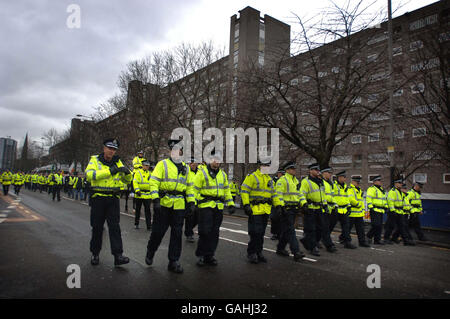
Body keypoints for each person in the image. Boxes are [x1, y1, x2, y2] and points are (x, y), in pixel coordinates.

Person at [145, 139, 196, 274]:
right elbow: (154, 182)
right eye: (172, 149)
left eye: (177, 149)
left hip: (179, 205)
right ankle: (151, 250)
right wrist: (155, 199)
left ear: (181, 151)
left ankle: (173, 261)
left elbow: (190, 187)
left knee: (177, 234)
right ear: (170, 151)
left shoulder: (185, 167)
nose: (175, 152)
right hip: (163, 204)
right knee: (158, 232)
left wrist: (191, 202)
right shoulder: (163, 164)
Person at [85, 137, 132, 266]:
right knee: (97, 227)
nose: (112, 151)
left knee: (115, 228)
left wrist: (128, 173)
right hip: (98, 198)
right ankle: (95, 253)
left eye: (114, 149)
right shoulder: (94, 160)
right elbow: (90, 175)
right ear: (104, 148)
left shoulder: (118, 162)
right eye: (110, 148)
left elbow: (126, 181)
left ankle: (118, 255)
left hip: (113, 199)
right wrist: (110, 171)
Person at [193, 150, 235, 266]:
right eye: (215, 159)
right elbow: (194, 189)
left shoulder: (223, 174)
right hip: (205, 205)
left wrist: (230, 203)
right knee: (205, 231)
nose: (217, 161)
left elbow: (226, 190)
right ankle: (201, 255)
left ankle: (209, 255)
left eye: (219, 159)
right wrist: (194, 201)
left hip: (218, 206)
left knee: (214, 232)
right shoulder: (202, 172)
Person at [241, 158, 282, 264]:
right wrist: (246, 205)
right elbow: (244, 191)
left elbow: (274, 194)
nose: (267, 168)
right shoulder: (252, 177)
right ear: (260, 166)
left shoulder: (270, 180)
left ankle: (259, 252)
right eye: (265, 166)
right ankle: (252, 253)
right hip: (254, 210)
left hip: (265, 210)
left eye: (269, 166)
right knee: (255, 233)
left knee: (261, 233)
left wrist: (278, 205)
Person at [275, 161, 306, 262]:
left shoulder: (295, 181)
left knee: (286, 230)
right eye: (292, 169)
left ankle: (280, 248)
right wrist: (280, 206)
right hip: (286, 209)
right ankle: (296, 251)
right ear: (287, 170)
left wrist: (304, 203)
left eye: (295, 169)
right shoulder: (282, 180)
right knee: (291, 231)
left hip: (294, 209)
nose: (294, 170)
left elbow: (300, 194)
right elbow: (278, 194)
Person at [384, 178, 415, 246]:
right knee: (391, 226)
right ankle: (386, 239)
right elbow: (390, 201)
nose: (401, 184)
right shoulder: (392, 191)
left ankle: (405, 240)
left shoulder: (400, 192)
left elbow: (403, 202)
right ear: (396, 184)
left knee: (402, 226)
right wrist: (393, 211)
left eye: (401, 183)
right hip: (394, 211)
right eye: (400, 183)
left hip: (400, 211)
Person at [329, 171, 356, 249]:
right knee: (331, 226)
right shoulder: (333, 185)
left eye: (345, 177)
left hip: (344, 210)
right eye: (344, 177)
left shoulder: (345, 186)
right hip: (336, 209)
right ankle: (324, 239)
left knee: (346, 227)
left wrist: (349, 206)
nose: (345, 179)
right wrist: (335, 206)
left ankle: (347, 242)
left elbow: (346, 197)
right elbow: (331, 196)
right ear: (339, 177)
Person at [347, 176, 370, 247]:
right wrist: (358, 204)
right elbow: (350, 199)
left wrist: (362, 209)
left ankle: (362, 242)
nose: (358, 183)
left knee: (361, 229)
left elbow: (361, 201)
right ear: (353, 181)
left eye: (359, 182)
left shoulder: (359, 189)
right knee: (348, 229)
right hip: (352, 213)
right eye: (357, 182)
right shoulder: (350, 189)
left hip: (359, 213)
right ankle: (344, 239)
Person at [319, 166, 338, 252]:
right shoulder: (321, 182)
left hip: (331, 207)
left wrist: (335, 204)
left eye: (330, 173)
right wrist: (325, 204)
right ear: (323, 173)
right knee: (325, 227)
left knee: (329, 225)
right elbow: (322, 195)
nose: (330, 174)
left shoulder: (330, 183)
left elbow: (332, 196)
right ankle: (329, 245)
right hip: (323, 207)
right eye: (328, 173)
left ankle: (318, 240)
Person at [366, 175, 387, 245]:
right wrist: (370, 207)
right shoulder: (371, 189)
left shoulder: (381, 189)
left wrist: (386, 207)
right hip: (374, 209)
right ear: (374, 182)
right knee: (376, 225)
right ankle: (368, 236)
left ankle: (377, 240)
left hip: (381, 210)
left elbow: (384, 200)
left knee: (380, 226)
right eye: (379, 180)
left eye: (380, 180)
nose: (380, 182)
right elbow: (368, 198)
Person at [133, 160, 153, 230]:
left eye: (148, 166)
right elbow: (135, 182)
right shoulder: (138, 173)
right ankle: (136, 223)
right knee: (138, 210)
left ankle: (149, 226)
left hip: (147, 195)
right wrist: (137, 190)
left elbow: (152, 183)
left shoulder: (150, 173)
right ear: (142, 166)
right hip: (139, 194)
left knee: (148, 211)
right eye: (146, 165)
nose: (147, 167)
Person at [185, 157, 199, 243]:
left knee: (197, 218)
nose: (193, 165)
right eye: (191, 164)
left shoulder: (200, 172)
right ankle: (189, 234)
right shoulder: (186, 172)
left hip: (198, 199)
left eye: (194, 163)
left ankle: (188, 230)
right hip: (189, 199)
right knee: (190, 217)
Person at [270, 169, 285, 240]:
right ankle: (274, 233)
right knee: (274, 218)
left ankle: (280, 233)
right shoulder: (274, 181)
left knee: (281, 219)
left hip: (282, 203)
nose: (281, 175)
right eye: (280, 173)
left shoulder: (284, 181)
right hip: (274, 203)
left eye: (282, 174)